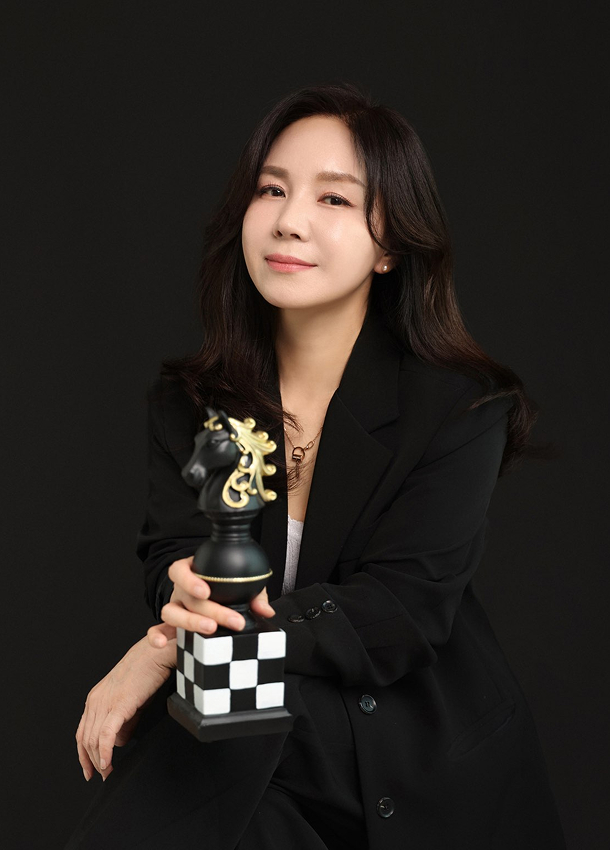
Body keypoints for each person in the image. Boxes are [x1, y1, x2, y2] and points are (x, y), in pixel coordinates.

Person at [66, 82, 567, 849]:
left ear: (391, 243)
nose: (289, 220)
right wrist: (178, 606)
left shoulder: (461, 407)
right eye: (271, 189)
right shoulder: (188, 402)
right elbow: (171, 556)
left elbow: (398, 613)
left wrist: (161, 651)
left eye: (333, 199)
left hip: (411, 748)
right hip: (253, 734)